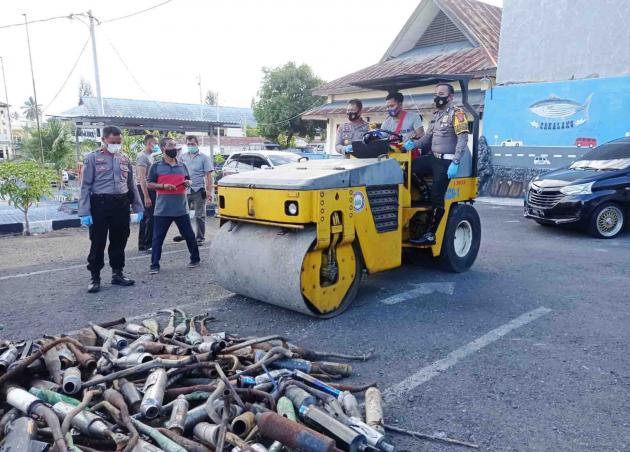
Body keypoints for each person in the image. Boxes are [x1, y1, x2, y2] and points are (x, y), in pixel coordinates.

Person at [79, 126, 144, 293]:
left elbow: (132, 186)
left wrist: (138, 206)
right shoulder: (92, 158)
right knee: (98, 241)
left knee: (119, 240)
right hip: (100, 204)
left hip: (121, 204)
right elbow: (85, 186)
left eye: (119, 142)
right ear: (104, 140)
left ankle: (117, 274)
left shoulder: (124, 159)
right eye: (113, 142)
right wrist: (84, 212)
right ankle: (95, 277)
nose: (116, 144)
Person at [409, 83, 470, 245]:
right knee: (409, 169)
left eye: (441, 93)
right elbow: (426, 139)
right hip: (433, 158)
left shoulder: (457, 114)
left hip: (447, 161)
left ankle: (430, 234)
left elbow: (463, 138)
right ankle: (424, 193)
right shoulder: (436, 115)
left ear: (450, 97)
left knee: (437, 196)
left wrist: (455, 161)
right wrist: (411, 145)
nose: (438, 97)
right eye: (436, 93)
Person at [147, 137, 200, 274]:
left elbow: (188, 179)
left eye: (175, 145)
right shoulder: (156, 166)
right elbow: (149, 184)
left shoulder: (182, 166)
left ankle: (195, 258)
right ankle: (154, 265)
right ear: (163, 148)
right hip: (162, 209)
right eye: (171, 145)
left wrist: (188, 182)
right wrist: (163, 186)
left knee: (189, 235)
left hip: (181, 208)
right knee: (158, 238)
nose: (174, 148)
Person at [173, 136, 213, 245]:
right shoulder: (183, 157)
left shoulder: (204, 158)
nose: (190, 146)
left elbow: (209, 176)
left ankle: (200, 238)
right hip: (184, 189)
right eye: (188, 144)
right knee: (182, 214)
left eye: (192, 144)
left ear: (197, 144)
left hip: (198, 190)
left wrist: (209, 191)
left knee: (199, 215)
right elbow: (178, 171)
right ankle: (185, 234)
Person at [136, 134, 159, 251]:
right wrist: (146, 196)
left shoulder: (150, 156)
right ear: (150, 143)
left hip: (149, 188)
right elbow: (141, 178)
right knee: (149, 216)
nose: (157, 146)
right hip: (144, 189)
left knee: (148, 216)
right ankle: (147, 244)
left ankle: (144, 244)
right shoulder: (143, 157)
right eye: (155, 143)